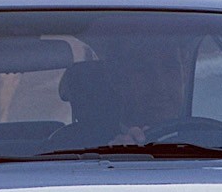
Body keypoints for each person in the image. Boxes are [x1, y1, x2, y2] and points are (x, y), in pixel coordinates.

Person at [48, 40, 191, 148]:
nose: (161, 85)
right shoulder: (73, 148)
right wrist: (115, 158)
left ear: (184, 74)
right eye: (143, 70)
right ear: (117, 79)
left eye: (170, 68)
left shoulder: (208, 139)